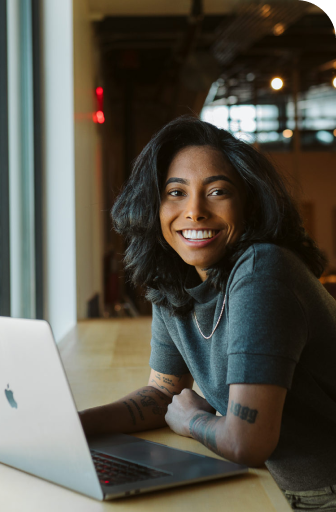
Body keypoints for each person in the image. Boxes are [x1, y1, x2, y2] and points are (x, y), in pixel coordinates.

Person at [80, 116, 336, 511]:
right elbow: (162, 394)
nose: (195, 211)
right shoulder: (173, 280)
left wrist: (192, 421)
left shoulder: (262, 271)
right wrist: (74, 426)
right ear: (154, 204)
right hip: (280, 486)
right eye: (176, 192)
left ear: (248, 203)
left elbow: (245, 441)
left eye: (217, 191)